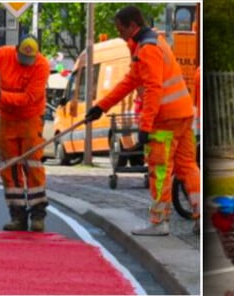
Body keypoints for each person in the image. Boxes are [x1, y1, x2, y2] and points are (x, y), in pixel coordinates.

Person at [85, 5, 201, 236]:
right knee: (187, 166)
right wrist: (101, 106)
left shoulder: (147, 49)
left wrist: (145, 126)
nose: (119, 33)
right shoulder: (154, 41)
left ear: (132, 26)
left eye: (120, 29)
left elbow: (153, 89)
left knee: (159, 169)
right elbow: (130, 80)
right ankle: (201, 214)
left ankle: (159, 221)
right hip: (182, 114)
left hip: (165, 119)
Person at [0, 37, 50, 232]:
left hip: (31, 118)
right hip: (8, 120)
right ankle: (18, 216)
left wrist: (1, 95)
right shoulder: (4, 54)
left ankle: (38, 215)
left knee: (33, 166)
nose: (25, 63)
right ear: (16, 51)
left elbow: (29, 98)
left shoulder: (41, 65)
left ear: (36, 55)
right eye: (23, 58)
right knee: (9, 169)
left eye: (29, 59)